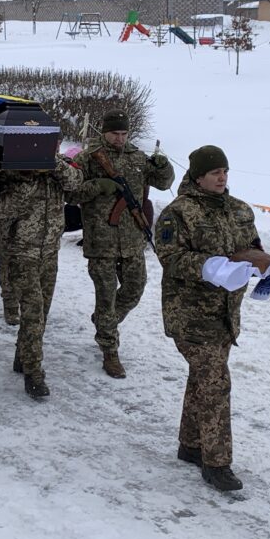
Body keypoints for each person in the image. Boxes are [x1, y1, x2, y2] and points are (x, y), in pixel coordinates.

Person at [153, 145, 270, 493]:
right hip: (189, 314)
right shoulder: (178, 213)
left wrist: (261, 263)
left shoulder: (239, 210)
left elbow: (251, 245)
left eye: (225, 171)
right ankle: (217, 462)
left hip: (225, 315)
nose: (222, 178)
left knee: (204, 378)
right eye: (214, 173)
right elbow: (171, 258)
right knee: (216, 381)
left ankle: (191, 444)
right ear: (198, 177)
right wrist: (211, 267)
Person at [71, 109, 175, 378]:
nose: (119, 138)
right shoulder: (88, 158)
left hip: (131, 240)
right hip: (101, 241)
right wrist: (97, 186)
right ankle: (109, 350)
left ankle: (104, 321)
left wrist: (164, 166)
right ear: (104, 132)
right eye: (114, 133)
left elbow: (164, 183)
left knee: (134, 289)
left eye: (124, 133)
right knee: (106, 297)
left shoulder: (137, 157)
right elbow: (70, 194)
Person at [0, 155, 83, 398]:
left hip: (49, 253)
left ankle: (23, 357)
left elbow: (76, 185)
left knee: (43, 312)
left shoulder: (57, 168)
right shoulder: (10, 170)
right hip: (21, 254)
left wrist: (54, 165)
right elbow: (0, 211)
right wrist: (27, 177)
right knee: (33, 313)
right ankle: (33, 373)